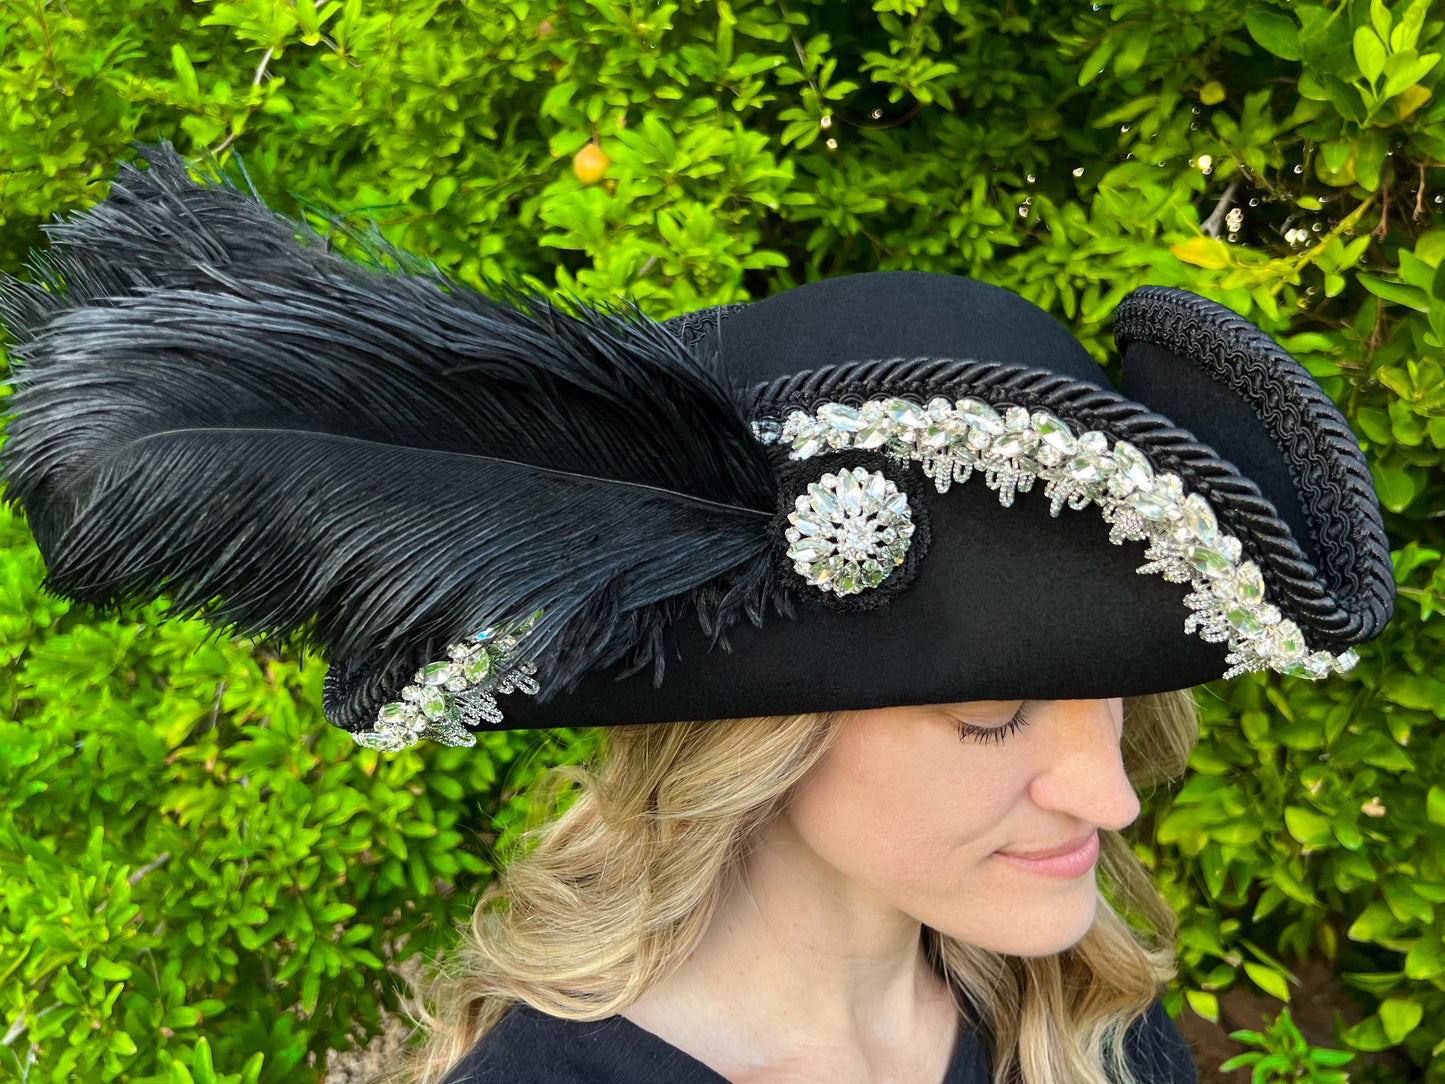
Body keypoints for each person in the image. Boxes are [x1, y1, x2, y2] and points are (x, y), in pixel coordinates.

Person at [0, 145, 1395, 1084]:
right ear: (758, 731)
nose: (1106, 796)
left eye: (1109, 697)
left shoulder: (1080, 1019)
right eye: (991, 716)